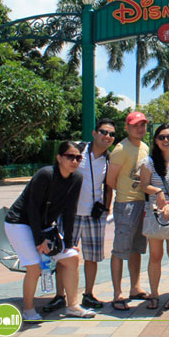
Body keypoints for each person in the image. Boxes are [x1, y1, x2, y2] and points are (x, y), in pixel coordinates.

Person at [4, 141, 95, 320]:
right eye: (70, 156)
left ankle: (73, 306)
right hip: (19, 222)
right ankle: (28, 310)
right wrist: (39, 240)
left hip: (44, 225)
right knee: (34, 266)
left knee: (71, 258)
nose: (74, 161)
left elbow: (70, 211)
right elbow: (32, 208)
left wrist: (68, 243)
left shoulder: (77, 178)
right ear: (59, 158)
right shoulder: (46, 174)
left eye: (78, 158)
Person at [45, 119, 116, 314]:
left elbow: (109, 186)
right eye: (103, 132)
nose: (107, 136)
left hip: (94, 215)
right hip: (70, 214)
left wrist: (106, 208)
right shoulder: (78, 152)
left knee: (92, 257)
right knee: (64, 256)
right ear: (94, 133)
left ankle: (89, 294)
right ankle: (60, 295)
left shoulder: (109, 159)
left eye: (111, 134)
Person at [140, 124, 169, 311]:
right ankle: (154, 294)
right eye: (161, 137)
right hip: (155, 213)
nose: (165, 140)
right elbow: (144, 184)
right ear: (155, 140)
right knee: (155, 256)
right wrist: (158, 190)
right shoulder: (148, 162)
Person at [106, 111, 150, 310]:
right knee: (120, 249)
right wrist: (124, 194)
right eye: (135, 125)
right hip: (126, 204)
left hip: (142, 202)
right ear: (127, 127)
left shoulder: (145, 147)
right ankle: (118, 293)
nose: (139, 129)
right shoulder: (121, 149)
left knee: (136, 248)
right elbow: (110, 180)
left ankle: (135, 287)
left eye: (142, 125)